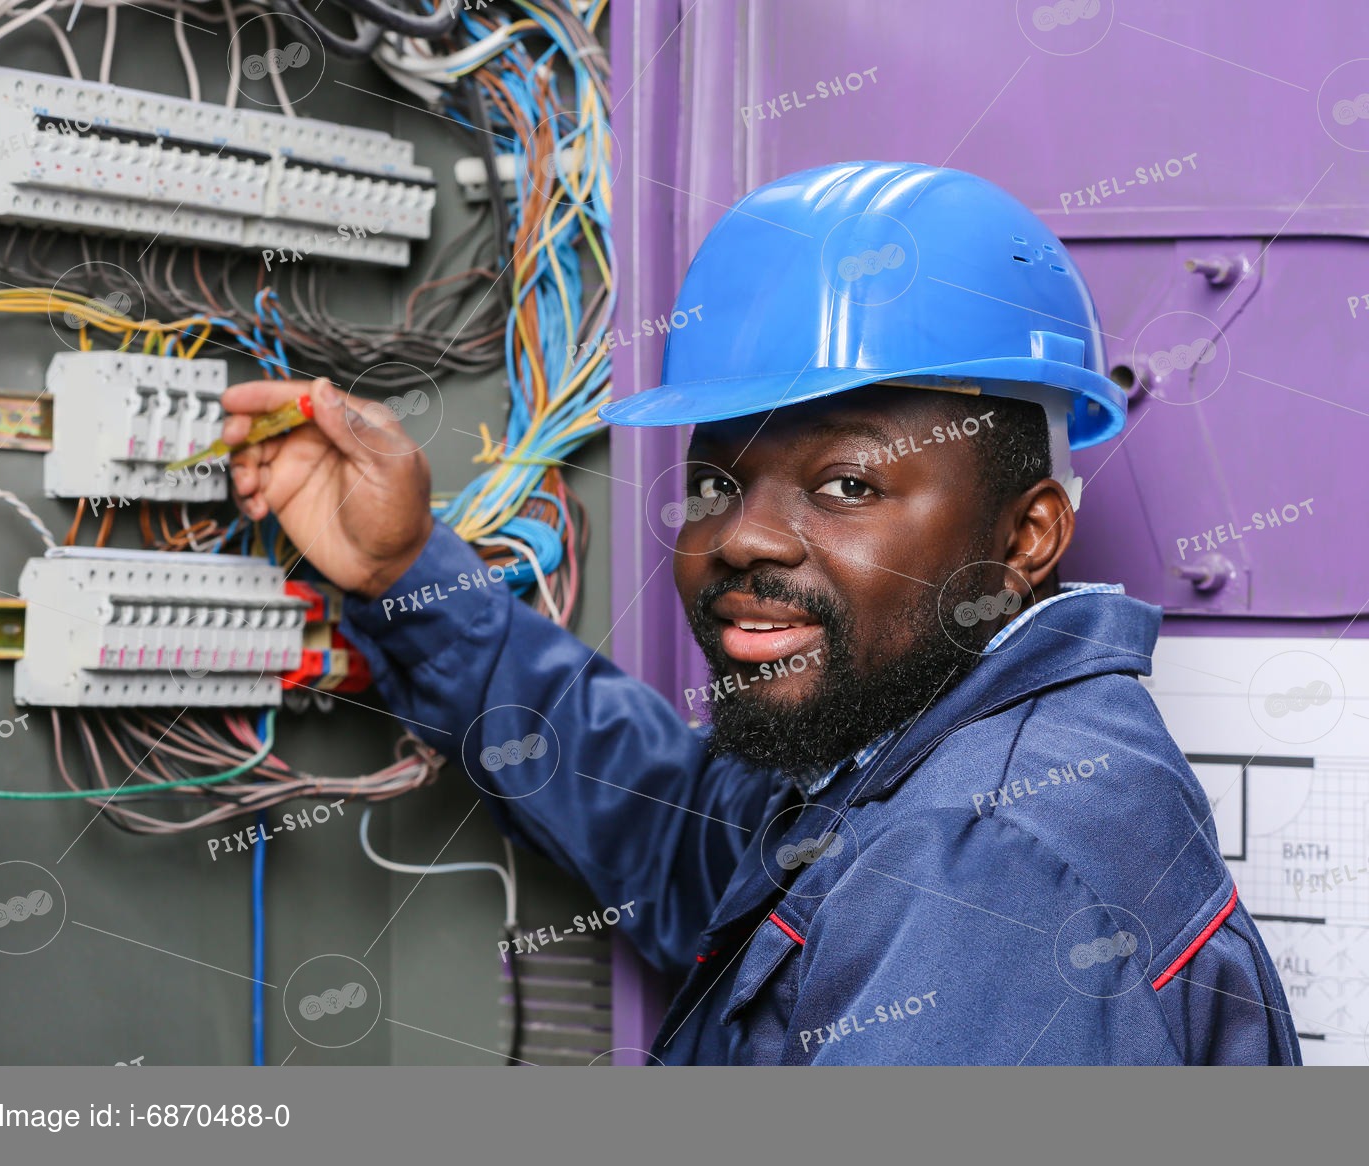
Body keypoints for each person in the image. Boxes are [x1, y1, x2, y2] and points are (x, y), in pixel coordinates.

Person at [220, 162, 1300, 1065]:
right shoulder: (907, 745)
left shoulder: (982, 862)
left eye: (846, 486)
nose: (740, 537)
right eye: (715, 483)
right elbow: (678, 830)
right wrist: (408, 569)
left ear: (1024, 538)